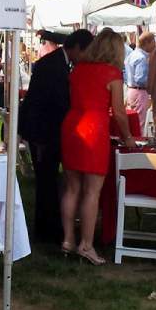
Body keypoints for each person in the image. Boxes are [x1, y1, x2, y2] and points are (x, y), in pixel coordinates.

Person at [59, 29, 139, 265]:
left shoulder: (77, 70)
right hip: (94, 130)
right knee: (92, 191)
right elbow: (120, 112)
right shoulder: (112, 73)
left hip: (72, 126)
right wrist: (128, 137)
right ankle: (86, 244)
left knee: (72, 188)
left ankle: (67, 240)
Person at [19, 29, 93, 245]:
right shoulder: (52, 65)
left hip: (49, 129)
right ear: (77, 47)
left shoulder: (59, 62)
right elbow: (49, 103)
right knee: (46, 180)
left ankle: (50, 226)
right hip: (42, 130)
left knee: (50, 179)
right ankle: (46, 230)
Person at [124, 32, 155, 117]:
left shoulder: (132, 55)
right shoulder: (141, 58)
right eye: (153, 42)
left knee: (133, 120)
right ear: (147, 43)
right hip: (139, 92)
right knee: (139, 121)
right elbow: (140, 80)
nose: (155, 45)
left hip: (130, 90)